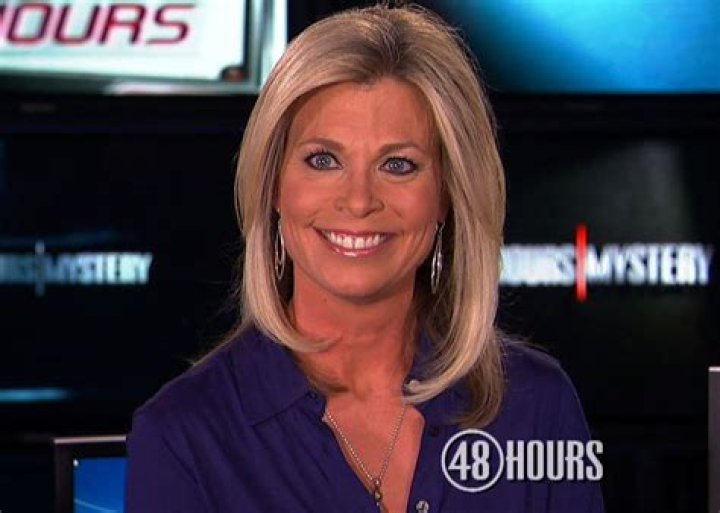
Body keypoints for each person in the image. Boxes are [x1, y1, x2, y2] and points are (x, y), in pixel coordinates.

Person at [125, 4, 604, 512]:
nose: (358, 201)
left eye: (398, 165)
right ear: (274, 186)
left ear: (447, 193)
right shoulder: (183, 437)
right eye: (323, 160)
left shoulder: (539, 404)